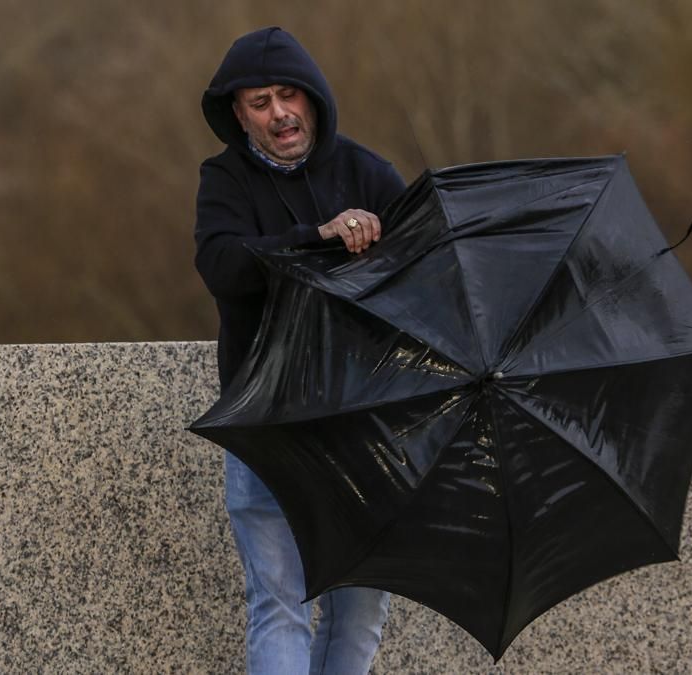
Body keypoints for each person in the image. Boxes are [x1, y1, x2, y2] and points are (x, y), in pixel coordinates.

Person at [193, 26, 406, 675]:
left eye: (289, 95)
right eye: (260, 102)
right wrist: (318, 237)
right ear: (238, 113)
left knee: (361, 611)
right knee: (279, 606)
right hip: (267, 425)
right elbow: (222, 265)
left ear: (312, 98)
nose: (279, 112)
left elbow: (428, 281)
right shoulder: (223, 180)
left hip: (359, 427)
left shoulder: (369, 172)